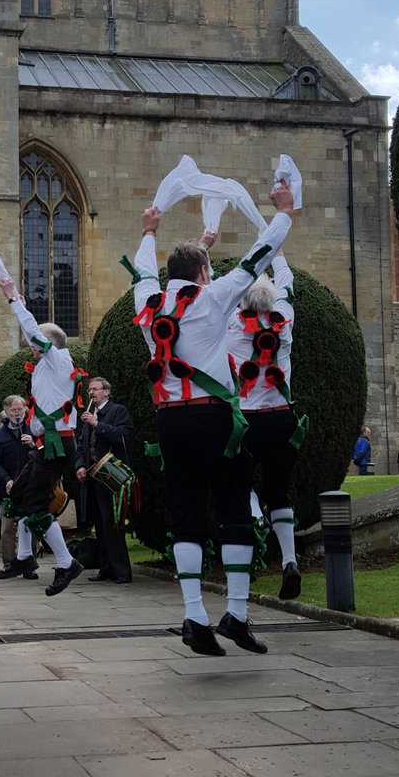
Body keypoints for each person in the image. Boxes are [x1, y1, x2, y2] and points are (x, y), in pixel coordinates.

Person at [132, 181, 293, 657]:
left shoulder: (147, 303)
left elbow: (144, 270)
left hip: (169, 424)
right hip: (213, 421)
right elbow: (258, 257)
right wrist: (282, 212)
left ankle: (194, 617)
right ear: (205, 273)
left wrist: (148, 232)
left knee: (184, 515)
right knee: (234, 513)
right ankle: (236, 615)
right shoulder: (214, 296)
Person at [225, 249, 304, 601]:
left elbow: (217, 293)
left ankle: (255, 517)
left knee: (240, 485)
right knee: (279, 490)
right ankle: (289, 559)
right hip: (281, 418)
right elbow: (287, 286)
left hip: (247, 420)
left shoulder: (231, 327)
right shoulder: (284, 321)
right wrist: (281, 255)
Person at [0, 277, 84, 597]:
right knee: (19, 495)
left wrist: (13, 300)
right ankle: (22, 557)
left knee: (35, 504)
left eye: (35, 345)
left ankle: (65, 562)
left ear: (47, 345)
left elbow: (35, 333)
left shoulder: (60, 359)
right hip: (45, 444)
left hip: (56, 443)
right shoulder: (45, 370)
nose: (31, 349)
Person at [75, 377, 134, 584]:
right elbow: (82, 444)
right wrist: (80, 465)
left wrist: (97, 424)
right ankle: (106, 567)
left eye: (96, 389)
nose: (91, 393)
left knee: (112, 523)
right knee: (99, 524)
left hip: (110, 475)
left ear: (107, 392)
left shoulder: (117, 411)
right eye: (90, 389)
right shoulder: (90, 414)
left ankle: (122, 571)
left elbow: (123, 437)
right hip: (93, 477)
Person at [0, 395, 38, 579]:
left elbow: (44, 454)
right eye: (14, 410)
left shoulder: (33, 428)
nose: (18, 413)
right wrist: (6, 480)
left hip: (30, 486)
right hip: (8, 488)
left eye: (20, 409)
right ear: (7, 412)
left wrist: (33, 445)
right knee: (7, 528)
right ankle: (9, 563)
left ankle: (28, 564)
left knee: (30, 525)